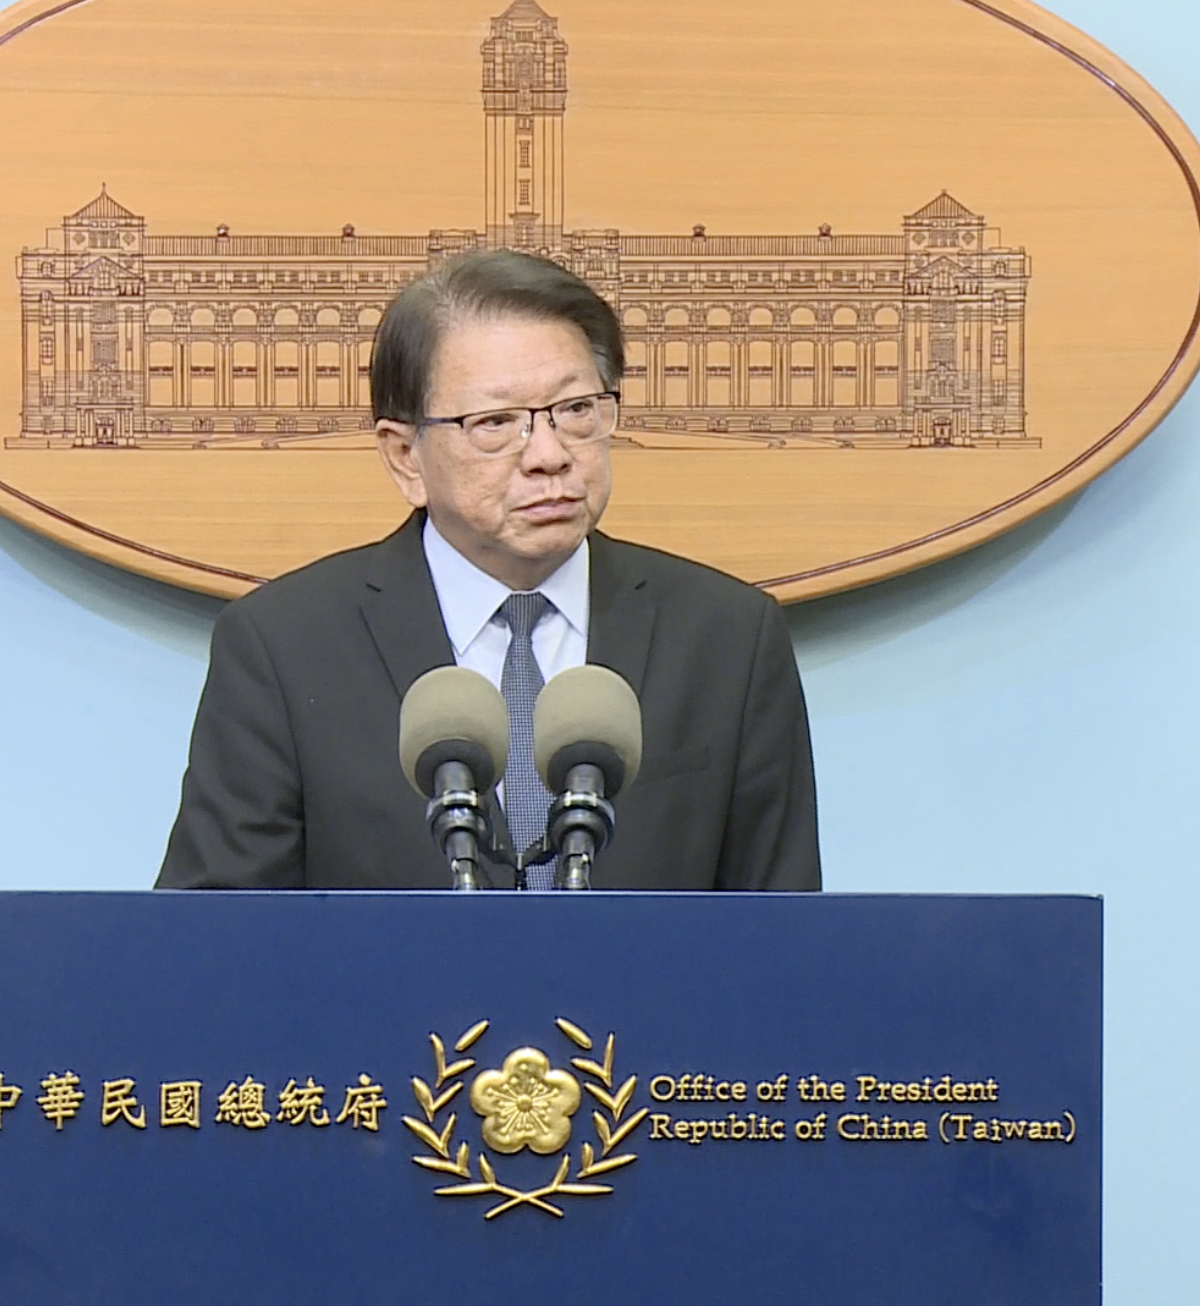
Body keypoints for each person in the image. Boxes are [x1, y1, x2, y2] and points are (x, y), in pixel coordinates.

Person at [156, 250, 819, 891]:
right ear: (405, 456)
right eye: (496, 422)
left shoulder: (729, 640)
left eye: (576, 411)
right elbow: (212, 937)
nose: (549, 454)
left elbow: (785, 935)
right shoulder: (283, 648)